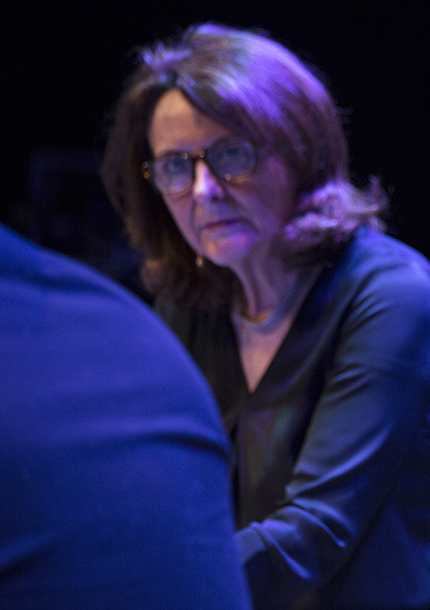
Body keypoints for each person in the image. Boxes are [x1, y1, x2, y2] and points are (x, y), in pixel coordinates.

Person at [100, 23, 430, 609]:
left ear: (300, 150)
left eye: (231, 155)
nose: (203, 190)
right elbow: (159, 484)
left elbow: (316, 531)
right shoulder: (191, 303)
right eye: (176, 166)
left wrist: (127, 586)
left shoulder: (390, 293)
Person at [0, 223, 251, 608]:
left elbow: (322, 520)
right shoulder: (166, 309)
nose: (204, 193)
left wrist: (197, 555)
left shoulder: (128, 338)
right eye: (174, 182)